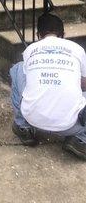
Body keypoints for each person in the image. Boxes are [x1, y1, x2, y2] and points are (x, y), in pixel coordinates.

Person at [10, 12, 86, 160]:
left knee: (18, 68)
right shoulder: (77, 49)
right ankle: (80, 140)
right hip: (70, 126)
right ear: (63, 34)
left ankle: (23, 127)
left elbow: (28, 79)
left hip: (33, 119)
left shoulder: (30, 50)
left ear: (38, 35)